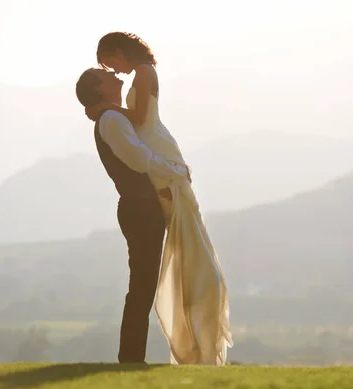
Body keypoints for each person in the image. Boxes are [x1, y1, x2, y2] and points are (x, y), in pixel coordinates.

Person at [79, 32, 233, 365]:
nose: (113, 73)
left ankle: (138, 355)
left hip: (153, 190)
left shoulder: (127, 95)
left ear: (120, 52)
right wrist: (173, 171)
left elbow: (138, 129)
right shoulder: (112, 116)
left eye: (110, 65)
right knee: (145, 285)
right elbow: (138, 151)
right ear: (98, 90)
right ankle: (133, 357)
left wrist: (107, 106)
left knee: (151, 281)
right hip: (145, 199)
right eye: (105, 72)